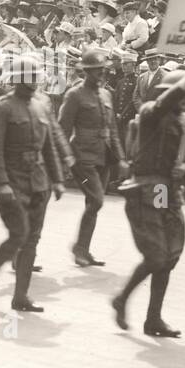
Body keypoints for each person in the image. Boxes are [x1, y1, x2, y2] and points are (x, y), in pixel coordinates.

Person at [111, 56, 185, 338]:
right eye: (183, 93)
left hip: (165, 191)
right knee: (155, 256)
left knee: (168, 257)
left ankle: (153, 318)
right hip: (147, 187)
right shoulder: (149, 114)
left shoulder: (182, 122)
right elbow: (165, 101)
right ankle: (122, 298)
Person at [0, 53, 66, 313]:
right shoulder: (2, 107)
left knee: (32, 240)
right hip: (12, 180)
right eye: (30, 79)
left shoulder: (41, 106)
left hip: (38, 181)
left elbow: (49, 145)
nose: (34, 84)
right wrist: (2, 182)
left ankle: (21, 296)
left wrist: (58, 179)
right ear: (18, 81)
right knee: (19, 234)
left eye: (35, 79)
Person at [58, 47, 125, 266]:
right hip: (82, 158)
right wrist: (64, 159)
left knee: (93, 202)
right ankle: (79, 247)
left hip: (103, 156)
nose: (101, 75)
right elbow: (62, 129)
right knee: (96, 199)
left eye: (103, 71)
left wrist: (121, 158)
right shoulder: (74, 95)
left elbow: (112, 129)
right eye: (96, 71)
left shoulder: (106, 94)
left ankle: (83, 250)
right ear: (86, 72)